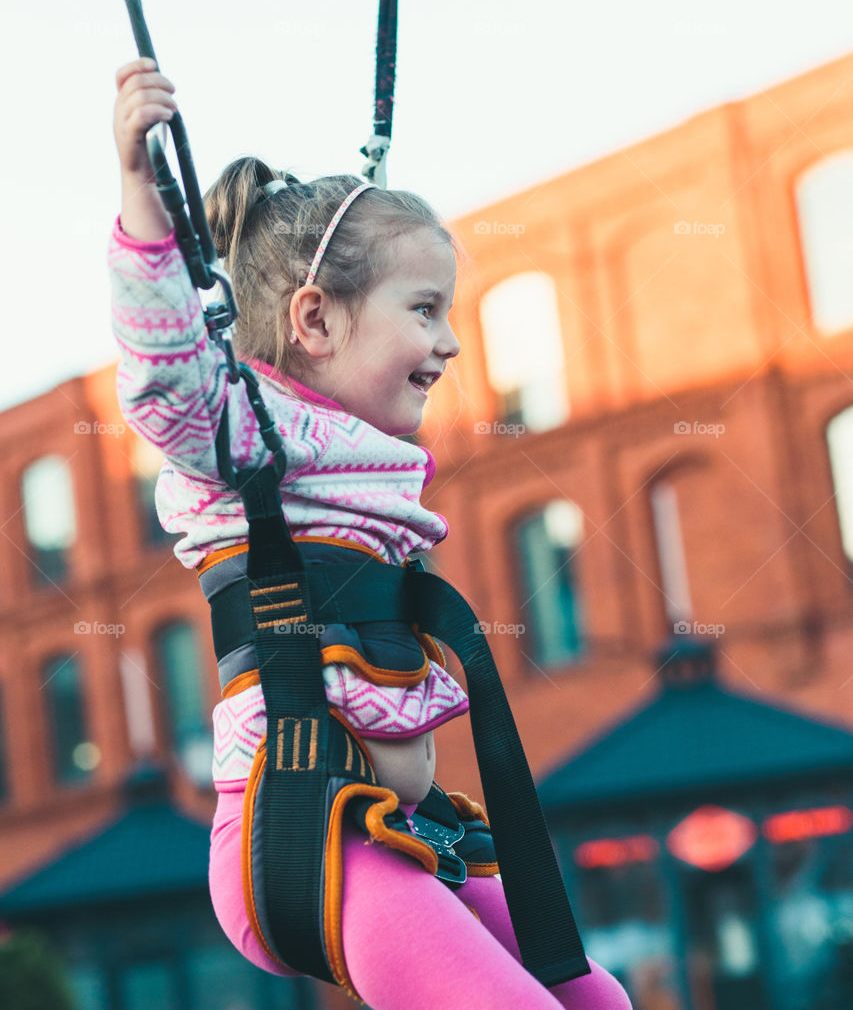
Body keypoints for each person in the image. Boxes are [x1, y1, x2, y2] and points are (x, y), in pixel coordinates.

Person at [109, 57, 633, 1010]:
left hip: (405, 826)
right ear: (314, 317)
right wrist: (143, 203)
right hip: (307, 830)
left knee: (597, 999)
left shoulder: (369, 458)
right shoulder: (241, 435)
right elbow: (162, 379)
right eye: (423, 310)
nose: (451, 342)